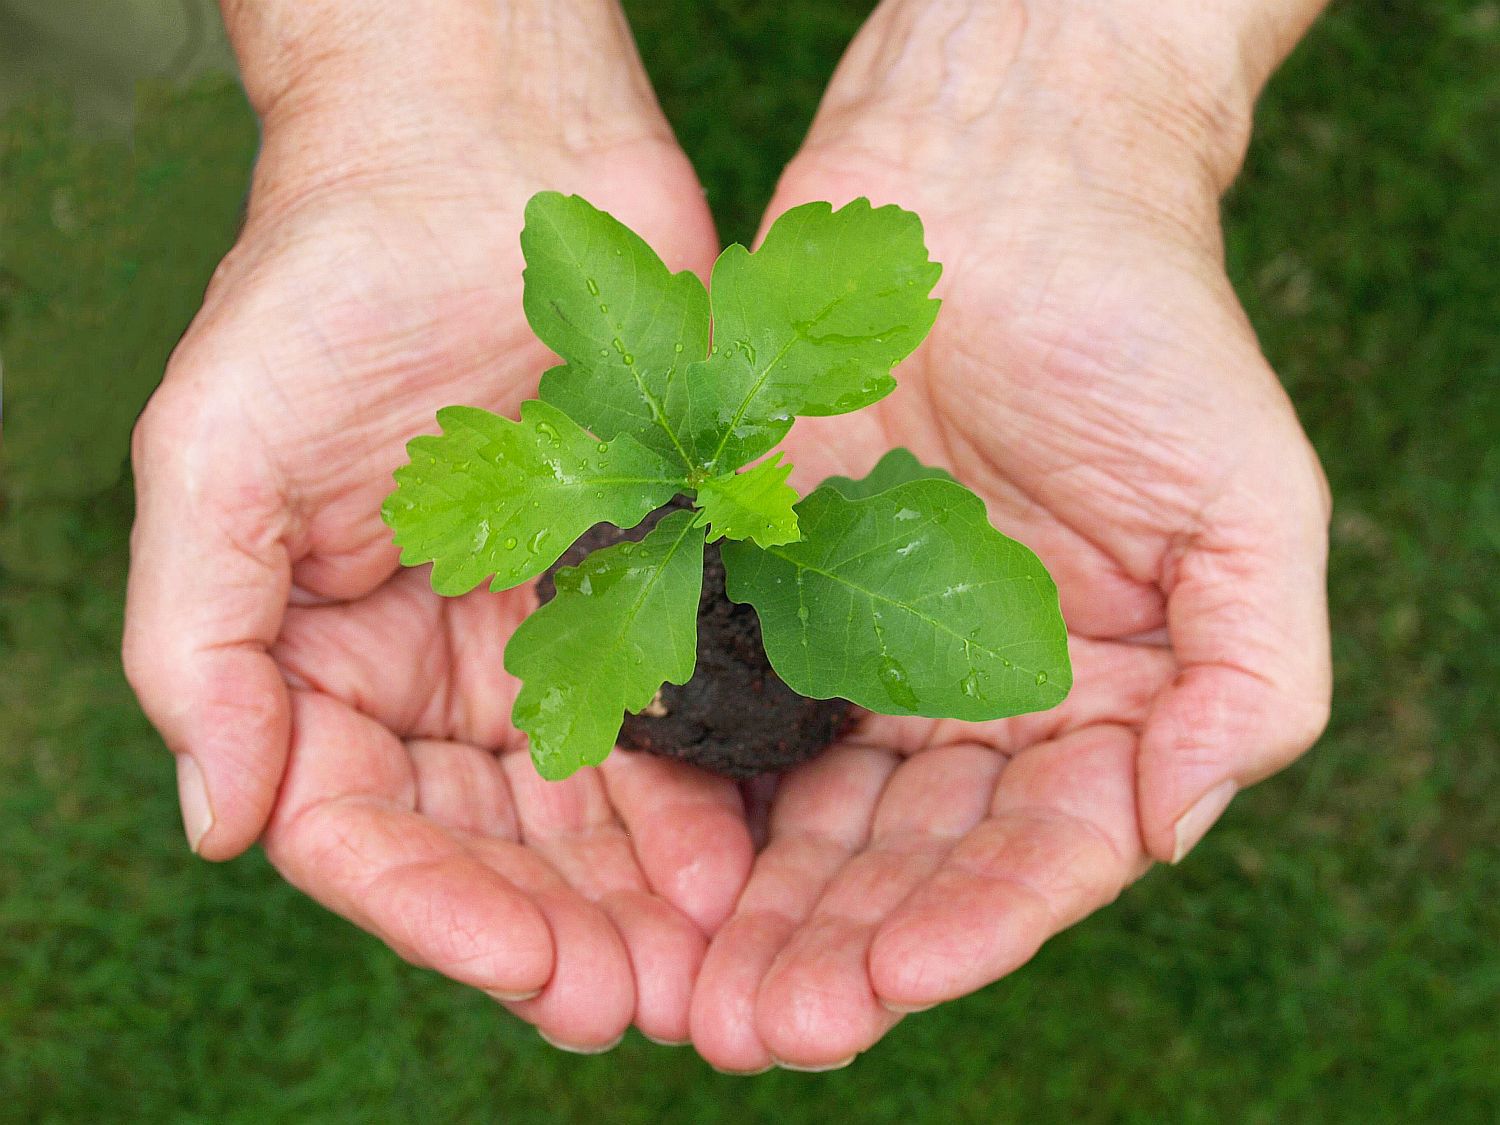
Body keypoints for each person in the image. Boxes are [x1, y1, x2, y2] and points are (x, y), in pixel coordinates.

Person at [122, 0, 1332, 1073]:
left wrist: (1074, 83)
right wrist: (405, 92)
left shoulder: (762, 505)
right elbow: (468, 478)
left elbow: (994, 646)